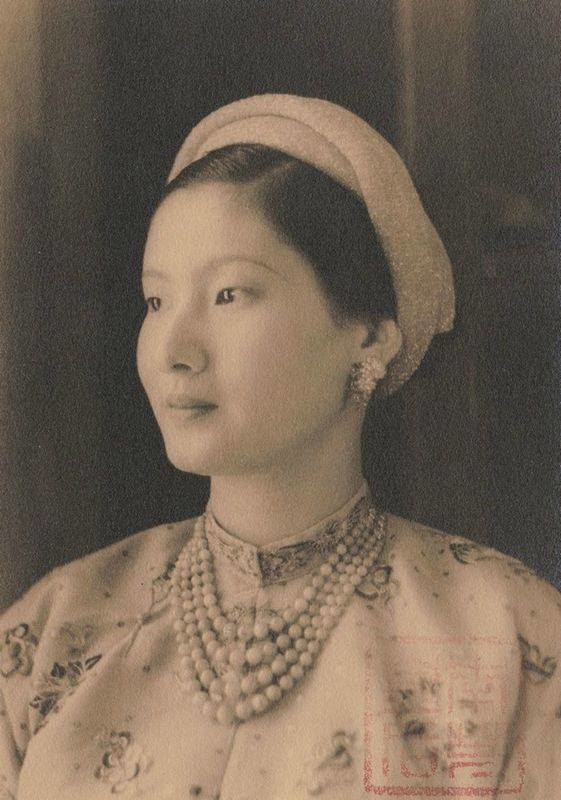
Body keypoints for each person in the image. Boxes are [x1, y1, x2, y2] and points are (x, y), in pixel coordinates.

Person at [0, 94, 559, 800]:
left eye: (229, 295)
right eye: (156, 301)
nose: (173, 349)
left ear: (367, 335)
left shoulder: (504, 637)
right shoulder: (54, 631)